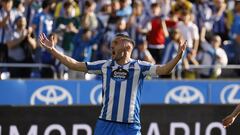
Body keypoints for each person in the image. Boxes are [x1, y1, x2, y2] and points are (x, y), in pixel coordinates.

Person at [39, 32, 186, 135]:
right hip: (106, 124)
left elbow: (165, 69)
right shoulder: (105, 65)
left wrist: (178, 56)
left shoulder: (140, 67)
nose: (112, 46)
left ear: (128, 46)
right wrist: (53, 50)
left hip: (130, 127)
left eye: (115, 43)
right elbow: (75, 65)